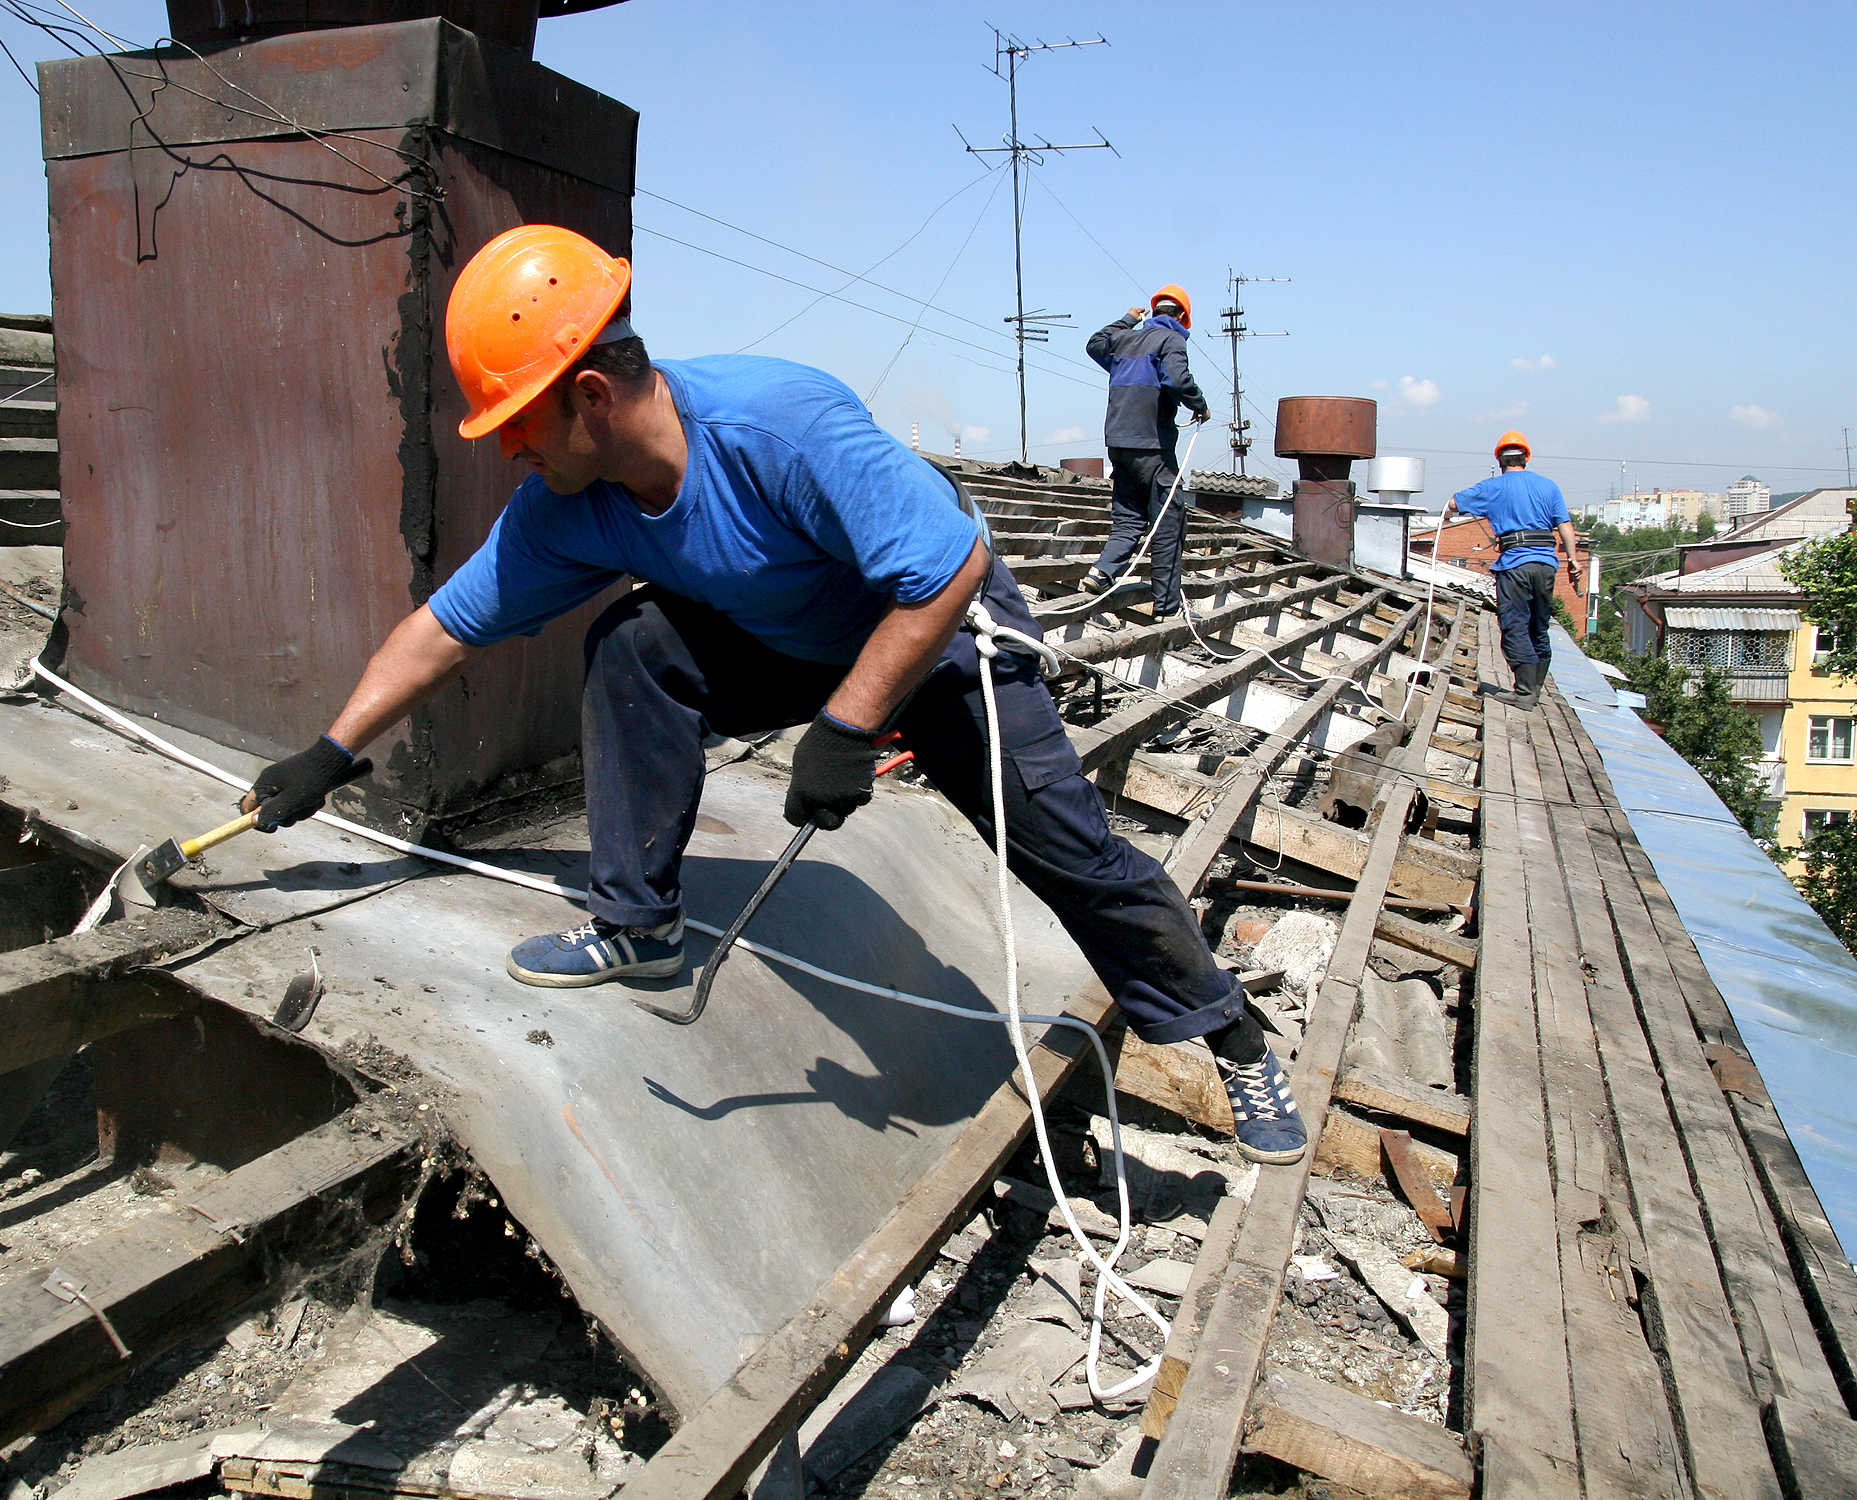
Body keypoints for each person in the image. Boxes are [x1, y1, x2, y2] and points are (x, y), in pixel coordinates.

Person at [238, 227, 1308, 1166]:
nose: (510, 447)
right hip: (793, 642)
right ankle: (637, 924)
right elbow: (442, 630)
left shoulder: (777, 423)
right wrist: (331, 752)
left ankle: (1229, 1036)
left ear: (594, 397)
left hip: (940, 638)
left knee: (1067, 852)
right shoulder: (567, 506)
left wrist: (848, 728)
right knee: (636, 640)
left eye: (519, 420)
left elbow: (943, 574)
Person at [1080, 286, 1211, 618]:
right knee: (1168, 522)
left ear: (1153, 313)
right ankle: (1167, 608)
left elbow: (1094, 343)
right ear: (1181, 316)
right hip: (1152, 446)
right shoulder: (1171, 340)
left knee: (1129, 519)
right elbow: (1178, 381)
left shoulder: (1126, 340)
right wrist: (1200, 405)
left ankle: (1102, 573)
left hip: (1118, 445)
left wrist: (1126, 320)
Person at [1442, 430, 1581, 711]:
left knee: (1514, 625)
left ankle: (1525, 693)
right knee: (1538, 627)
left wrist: (1446, 514)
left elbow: (1454, 503)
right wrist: (1574, 560)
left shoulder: (1495, 487)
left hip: (1515, 565)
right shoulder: (1549, 487)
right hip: (1545, 565)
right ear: (1526, 457)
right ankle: (1534, 689)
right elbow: (1565, 526)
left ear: (1500, 459)